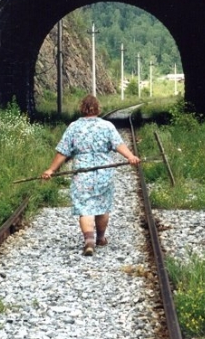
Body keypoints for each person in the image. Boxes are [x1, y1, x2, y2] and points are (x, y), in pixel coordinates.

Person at [41, 94, 140, 256]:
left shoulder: (74, 127)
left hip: (82, 173)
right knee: (102, 206)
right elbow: (118, 144)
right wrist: (130, 157)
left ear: (82, 108)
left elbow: (63, 152)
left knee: (84, 207)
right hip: (104, 172)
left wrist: (51, 170)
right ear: (98, 109)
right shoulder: (107, 126)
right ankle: (100, 238)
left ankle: (89, 241)